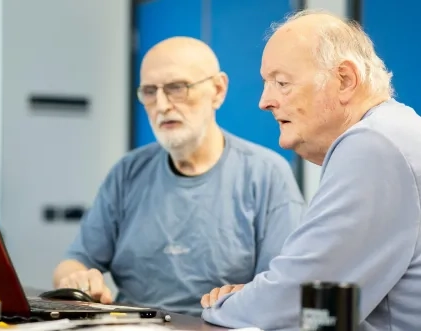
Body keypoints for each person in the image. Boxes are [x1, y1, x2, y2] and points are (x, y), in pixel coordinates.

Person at [200, 9, 421, 331]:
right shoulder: (397, 130)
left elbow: (294, 301)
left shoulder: (373, 145)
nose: (265, 101)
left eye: (281, 82)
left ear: (345, 80)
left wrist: (229, 303)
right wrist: (267, 294)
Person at [52, 36, 305, 316]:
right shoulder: (127, 173)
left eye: (176, 88)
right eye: (149, 92)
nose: (161, 105)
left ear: (218, 90)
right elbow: (75, 261)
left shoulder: (267, 174)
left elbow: (282, 288)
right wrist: (76, 279)